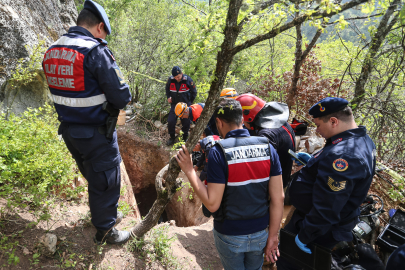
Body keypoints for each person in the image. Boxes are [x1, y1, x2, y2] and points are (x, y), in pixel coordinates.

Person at [42, 0, 131, 244]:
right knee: (106, 181)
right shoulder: (95, 51)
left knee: (94, 176)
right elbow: (122, 96)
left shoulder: (52, 49)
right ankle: (105, 231)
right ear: (100, 27)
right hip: (96, 133)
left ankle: (106, 214)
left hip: (70, 132)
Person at [175, 98, 284, 270]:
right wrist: (273, 236)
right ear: (242, 119)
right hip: (260, 232)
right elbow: (279, 198)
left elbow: (212, 204)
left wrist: (189, 171)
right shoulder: (268, 148)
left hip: (230, 233)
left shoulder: (219, 152)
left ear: (218, 122)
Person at [276, 97, 376, 270]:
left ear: (333, 121)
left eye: (318, 125)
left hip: (319, 228)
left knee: (290, 263)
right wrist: (314, 163)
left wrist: (305, 235)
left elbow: (328, 207)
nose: (317, 130)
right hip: (320, 222)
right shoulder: (359, 140)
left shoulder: (344, 155)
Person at [236, 94, 295, 188]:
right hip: (283, 181)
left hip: (273, 190)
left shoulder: (266, 135)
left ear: (249, 118)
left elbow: (261, 169)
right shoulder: (282, 122)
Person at [166, 66, 197, 145]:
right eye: (175, 77)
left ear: (181, 73)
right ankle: (172, 137)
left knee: (186, 122)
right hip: (175, 104)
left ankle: (184, 138)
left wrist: (190, 102)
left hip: (185, 105)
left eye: (178, 77)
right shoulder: (170, 80)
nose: (177, 78)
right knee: (171, 121)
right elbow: (167, 89)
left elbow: (194, 92)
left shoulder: (188, 80)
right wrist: (168, 97)